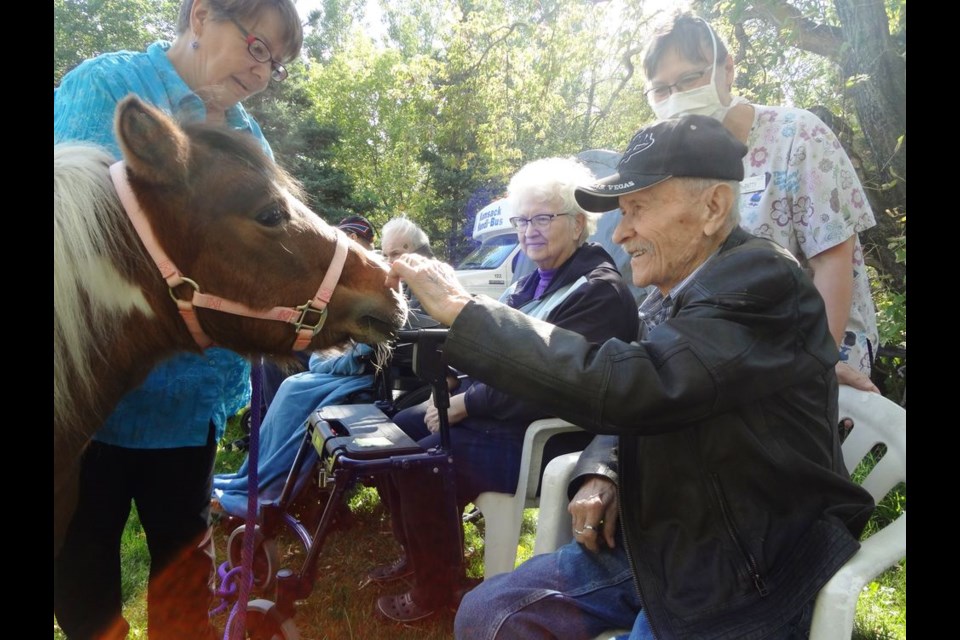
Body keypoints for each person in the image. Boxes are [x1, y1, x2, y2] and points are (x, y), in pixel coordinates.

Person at [387, 116, 876, 639]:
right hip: (667, 531)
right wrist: (606, 469)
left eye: (638, 209)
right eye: (621, 213)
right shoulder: (676, 289)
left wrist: (466, 312)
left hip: (746, 559)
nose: (620, 232)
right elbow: (648, 387)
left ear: (713, 207)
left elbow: (635, 384)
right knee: (490, 614)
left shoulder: (761, 282)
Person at [53, 2, 303, 638]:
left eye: (275, 63)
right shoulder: (107, 87)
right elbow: (75, 242)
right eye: (256, 48)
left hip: (191, 407)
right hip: (97, 405)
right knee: (84, 572)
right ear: (200, 15)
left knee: (181, 569)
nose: (262, 72)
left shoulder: (249, 138)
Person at [373, 158, 640, 623]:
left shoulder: (598, 291)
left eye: (542, 218)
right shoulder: (530, 280)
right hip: (503, 416)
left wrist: (464, 403)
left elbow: (548, 382)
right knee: (396, 431)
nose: (528, 231)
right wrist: (455, 375)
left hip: (548, 435)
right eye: (522, 220)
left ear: (579, 224)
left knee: (421, 462)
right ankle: (419, 554)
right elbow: (493, 347)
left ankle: (436, 588)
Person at [641, 11, 880, 393]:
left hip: (815, 341)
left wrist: (818, 361)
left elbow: (831, 260)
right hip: (727, 352)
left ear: (728, 69)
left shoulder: (797, 136)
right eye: (661, 89)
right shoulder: (674, 164)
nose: (678, 97)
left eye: (690, 78)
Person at [212, 216, 435, 518]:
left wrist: (331, 360)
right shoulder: (403, 281)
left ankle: (270, 489)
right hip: (366, 370)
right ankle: (250, 479)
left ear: (413, 249)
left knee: (295, 389)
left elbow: (382, 346)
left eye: (394, 253)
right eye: (386, 254)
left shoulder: (425, 284)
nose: (389, 261)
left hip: (383, 383)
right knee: (291, 381)